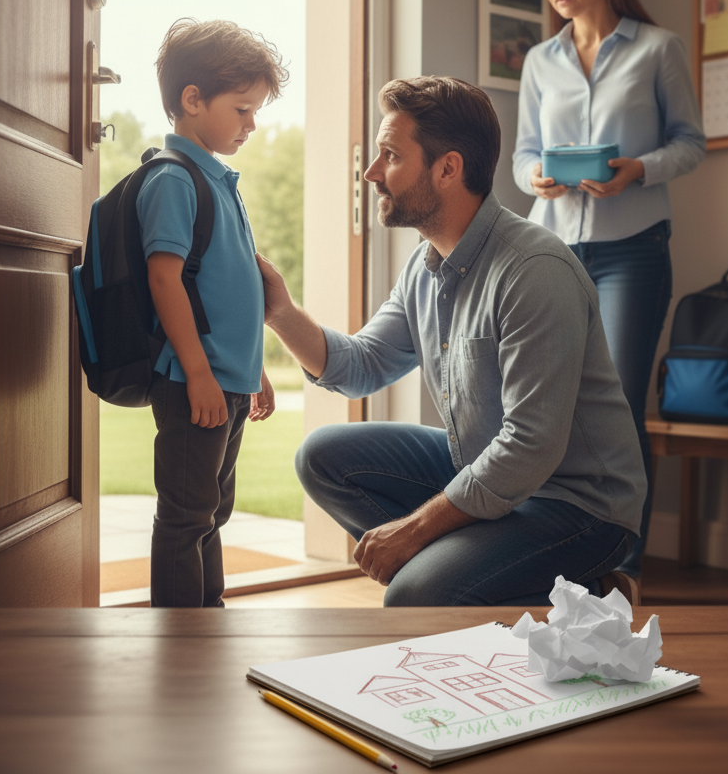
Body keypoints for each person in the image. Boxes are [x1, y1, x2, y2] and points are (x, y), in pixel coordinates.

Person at [257, 76, 646, 607]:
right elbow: (362, 365)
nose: (372, 174)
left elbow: (531, 446)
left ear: (447, 168)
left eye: (389, 155)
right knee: (323, 457)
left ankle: (582, 586)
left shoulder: (534, 270)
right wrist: (280, 312)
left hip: (577, 504)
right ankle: (483, 568)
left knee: (412, 598)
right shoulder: (424, 265)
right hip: (490, 471)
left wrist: (414, 532)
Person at [512, 0, 706, 584]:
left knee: (619, 405)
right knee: (549, 402)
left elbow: (690, 143)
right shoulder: (541, 61)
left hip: (633, 250)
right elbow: (523, 155)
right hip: (554, 248)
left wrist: (635, 171)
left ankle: (622, 561)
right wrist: (533, 177)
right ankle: (559, 551)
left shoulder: (658, 49)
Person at [138, 17, 287, 606]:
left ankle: (209, 622)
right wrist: (200, 372)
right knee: (185, 515)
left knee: (213, 510)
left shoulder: (219, 180)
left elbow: (230, 294)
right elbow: (163, 278)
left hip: (225, 381)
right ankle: (180, 645)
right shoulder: (175, 180)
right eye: (243, 109)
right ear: (192, 100)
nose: (252, 124)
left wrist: (253, 372)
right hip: (191, 381)